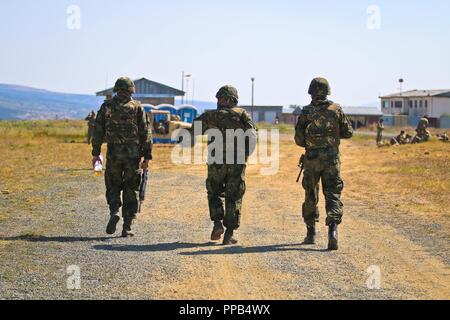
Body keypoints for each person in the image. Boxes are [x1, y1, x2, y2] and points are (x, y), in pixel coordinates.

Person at [184, 85, 257, 245]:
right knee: (234, 194)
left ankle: (217, 224)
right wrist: (245, 155)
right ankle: (229, 234)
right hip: (236, 161)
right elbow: (252, 136)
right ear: (234, 100)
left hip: (216, 160)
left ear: (220, 99)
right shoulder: (243, 114)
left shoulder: (209, 116)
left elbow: (189, 137)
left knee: (214, 191)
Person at [295, 77, 353, 251]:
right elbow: (348, 132)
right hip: (331, 160)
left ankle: (311, 233)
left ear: (311, 92)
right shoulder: (336, 110)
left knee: (311, 195)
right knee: (333, 194)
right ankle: (333, 231)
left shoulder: (306, 112)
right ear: (328, 91)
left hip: (312, 160)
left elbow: (298, 140)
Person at [91, 77, 153, 237]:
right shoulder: (137, 107)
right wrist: (147, 156)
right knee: (131, 188)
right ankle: (127, 226)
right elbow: (145, 132)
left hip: (113, 153)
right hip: (133, 155)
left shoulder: (106, 106)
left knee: (113, 185)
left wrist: (96, 153)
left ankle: (114, 211)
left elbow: (97, 131)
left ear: (116, 89)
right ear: (132, 89)